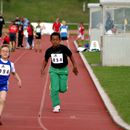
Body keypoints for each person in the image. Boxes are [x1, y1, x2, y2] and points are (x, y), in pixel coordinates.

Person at [41, 32, 78, 113]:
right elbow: (46, 60)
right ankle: (56, 105)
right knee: (55, 89)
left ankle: (60, 87)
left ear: (60, 40)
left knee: (63, 89)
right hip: (53, 70)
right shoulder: (49, 50)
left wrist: (75, 66)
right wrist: (42, 69)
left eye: (57, 40)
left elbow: (71, 56)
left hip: (63, 70)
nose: (55, 41)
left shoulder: (64, 48)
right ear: (50, 40)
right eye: (53, 40)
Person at [0, 44, 22, 125]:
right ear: (0, 53)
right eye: (3, 51)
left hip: (4, 85)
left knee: (3, 100)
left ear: (9, 53)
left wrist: (19, 80)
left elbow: (14, 73)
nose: (5, 53)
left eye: (7, 51)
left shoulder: (11, 64)